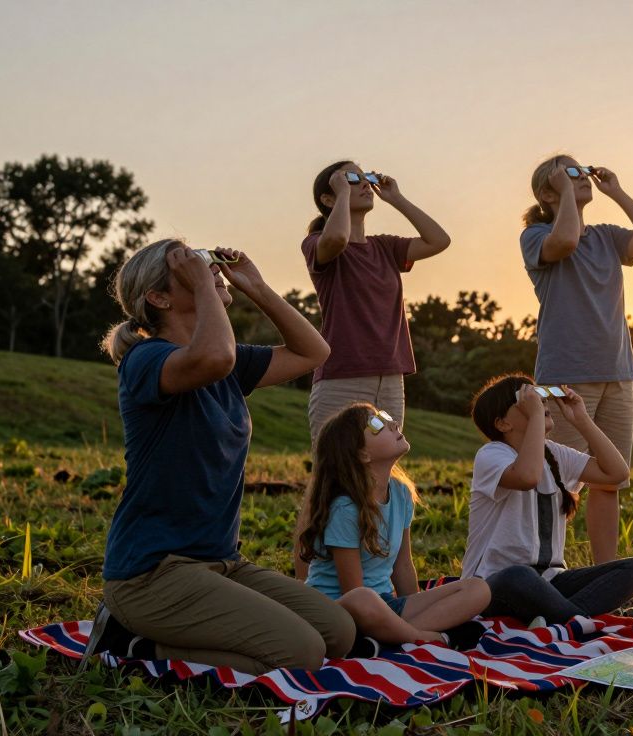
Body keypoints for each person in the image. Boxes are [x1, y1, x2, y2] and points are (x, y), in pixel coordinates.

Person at [84, 239, 353, 674]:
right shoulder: (146, 359)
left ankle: (163, 636)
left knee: (338, 632)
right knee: (301, 653)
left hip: (221, 562)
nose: (206, 266)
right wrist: (208, 287)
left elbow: (313, 352)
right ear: (159, 297)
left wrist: (256, 288)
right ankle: (132, 645)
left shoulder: (227, 364)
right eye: (189, 264)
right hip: (151, 574)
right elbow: (213, 356)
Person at [295, 160, 451, 579]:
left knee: (381, 479)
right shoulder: (318, 243)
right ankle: (304, 586)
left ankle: (377, 580)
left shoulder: (385, 247)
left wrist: (395, 197)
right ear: (328, 198)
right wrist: (344, 193)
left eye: (363, 176)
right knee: (327, 484)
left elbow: (439, 240)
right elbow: (339, 236)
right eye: (350, 178)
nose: (362, 183)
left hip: (390, 376)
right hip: (342, 378)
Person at [519, 155, 633, 564]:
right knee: (555, 480)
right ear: (547, 193)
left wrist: (615, 191)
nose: (579, 176)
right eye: (568, 174)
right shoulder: (536, 235)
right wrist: (569, 192)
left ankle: (605, 577)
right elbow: (565, 241)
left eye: (579, 171)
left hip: (618, 373)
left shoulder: (606, 237)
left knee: (611, 478)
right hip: (563, 377)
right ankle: (546, 570)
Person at [297, 403, 489, 653]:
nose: (392, 423)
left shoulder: (400, 493)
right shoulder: (345, 509)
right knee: (364, 598)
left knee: (478, 589)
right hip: (340, 610)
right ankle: (427, 639)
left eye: (385, 416)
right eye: (377, 424)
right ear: (362, 454)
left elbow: (403, 566)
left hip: (386, 605)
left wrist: (417, 604)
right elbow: (353, 591)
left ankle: (389, 638)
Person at [461, 374, 633, 625]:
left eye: (539, 399)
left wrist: (581, 420)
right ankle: (578, 621)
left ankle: (565, 620)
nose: (539, 403)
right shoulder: (491, 455)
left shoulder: (555, 454)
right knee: (519, 575)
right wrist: (537, 416)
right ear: (503, 424)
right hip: (492, 586)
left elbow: (616, 474)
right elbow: (527, 476)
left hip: (550, 582)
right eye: (527, 400)